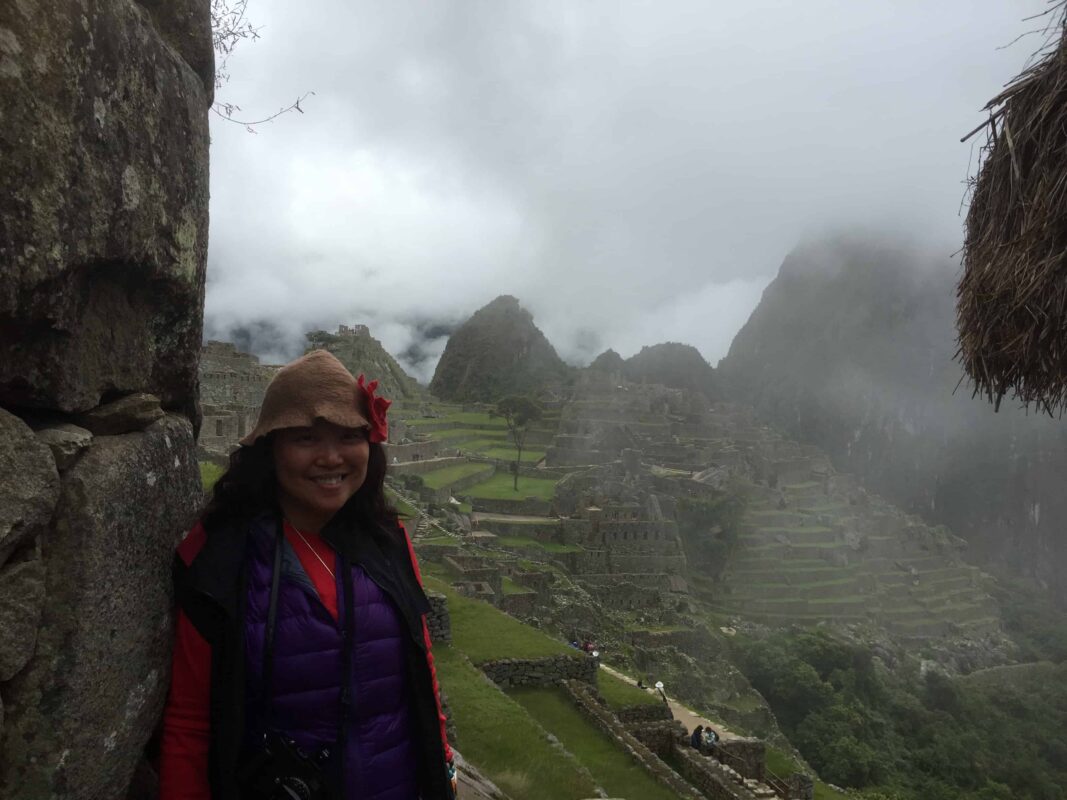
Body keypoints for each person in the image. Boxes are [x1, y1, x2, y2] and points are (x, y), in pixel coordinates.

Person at [160, 350, 456, 800]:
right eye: (306, 438)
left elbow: (421, 669)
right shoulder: (221, 559)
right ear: (271, 448)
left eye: (348, 436)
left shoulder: (389, 544)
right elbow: (191, 720)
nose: (331, 457)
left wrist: (442, 768)